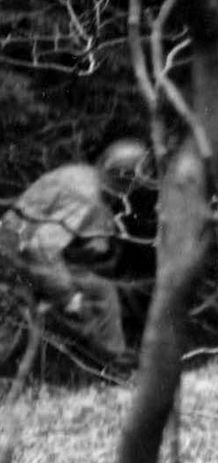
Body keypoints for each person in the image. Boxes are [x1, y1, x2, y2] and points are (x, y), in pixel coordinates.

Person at [1, 138, 151, 370]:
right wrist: (68, 295)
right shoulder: (88, 198)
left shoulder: (82, 174)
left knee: (100, 286)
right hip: (18, 255)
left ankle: (112, 355)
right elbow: (42, 247)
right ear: (125, 177)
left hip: (12, 241)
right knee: (98, 293)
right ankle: (113, 363)